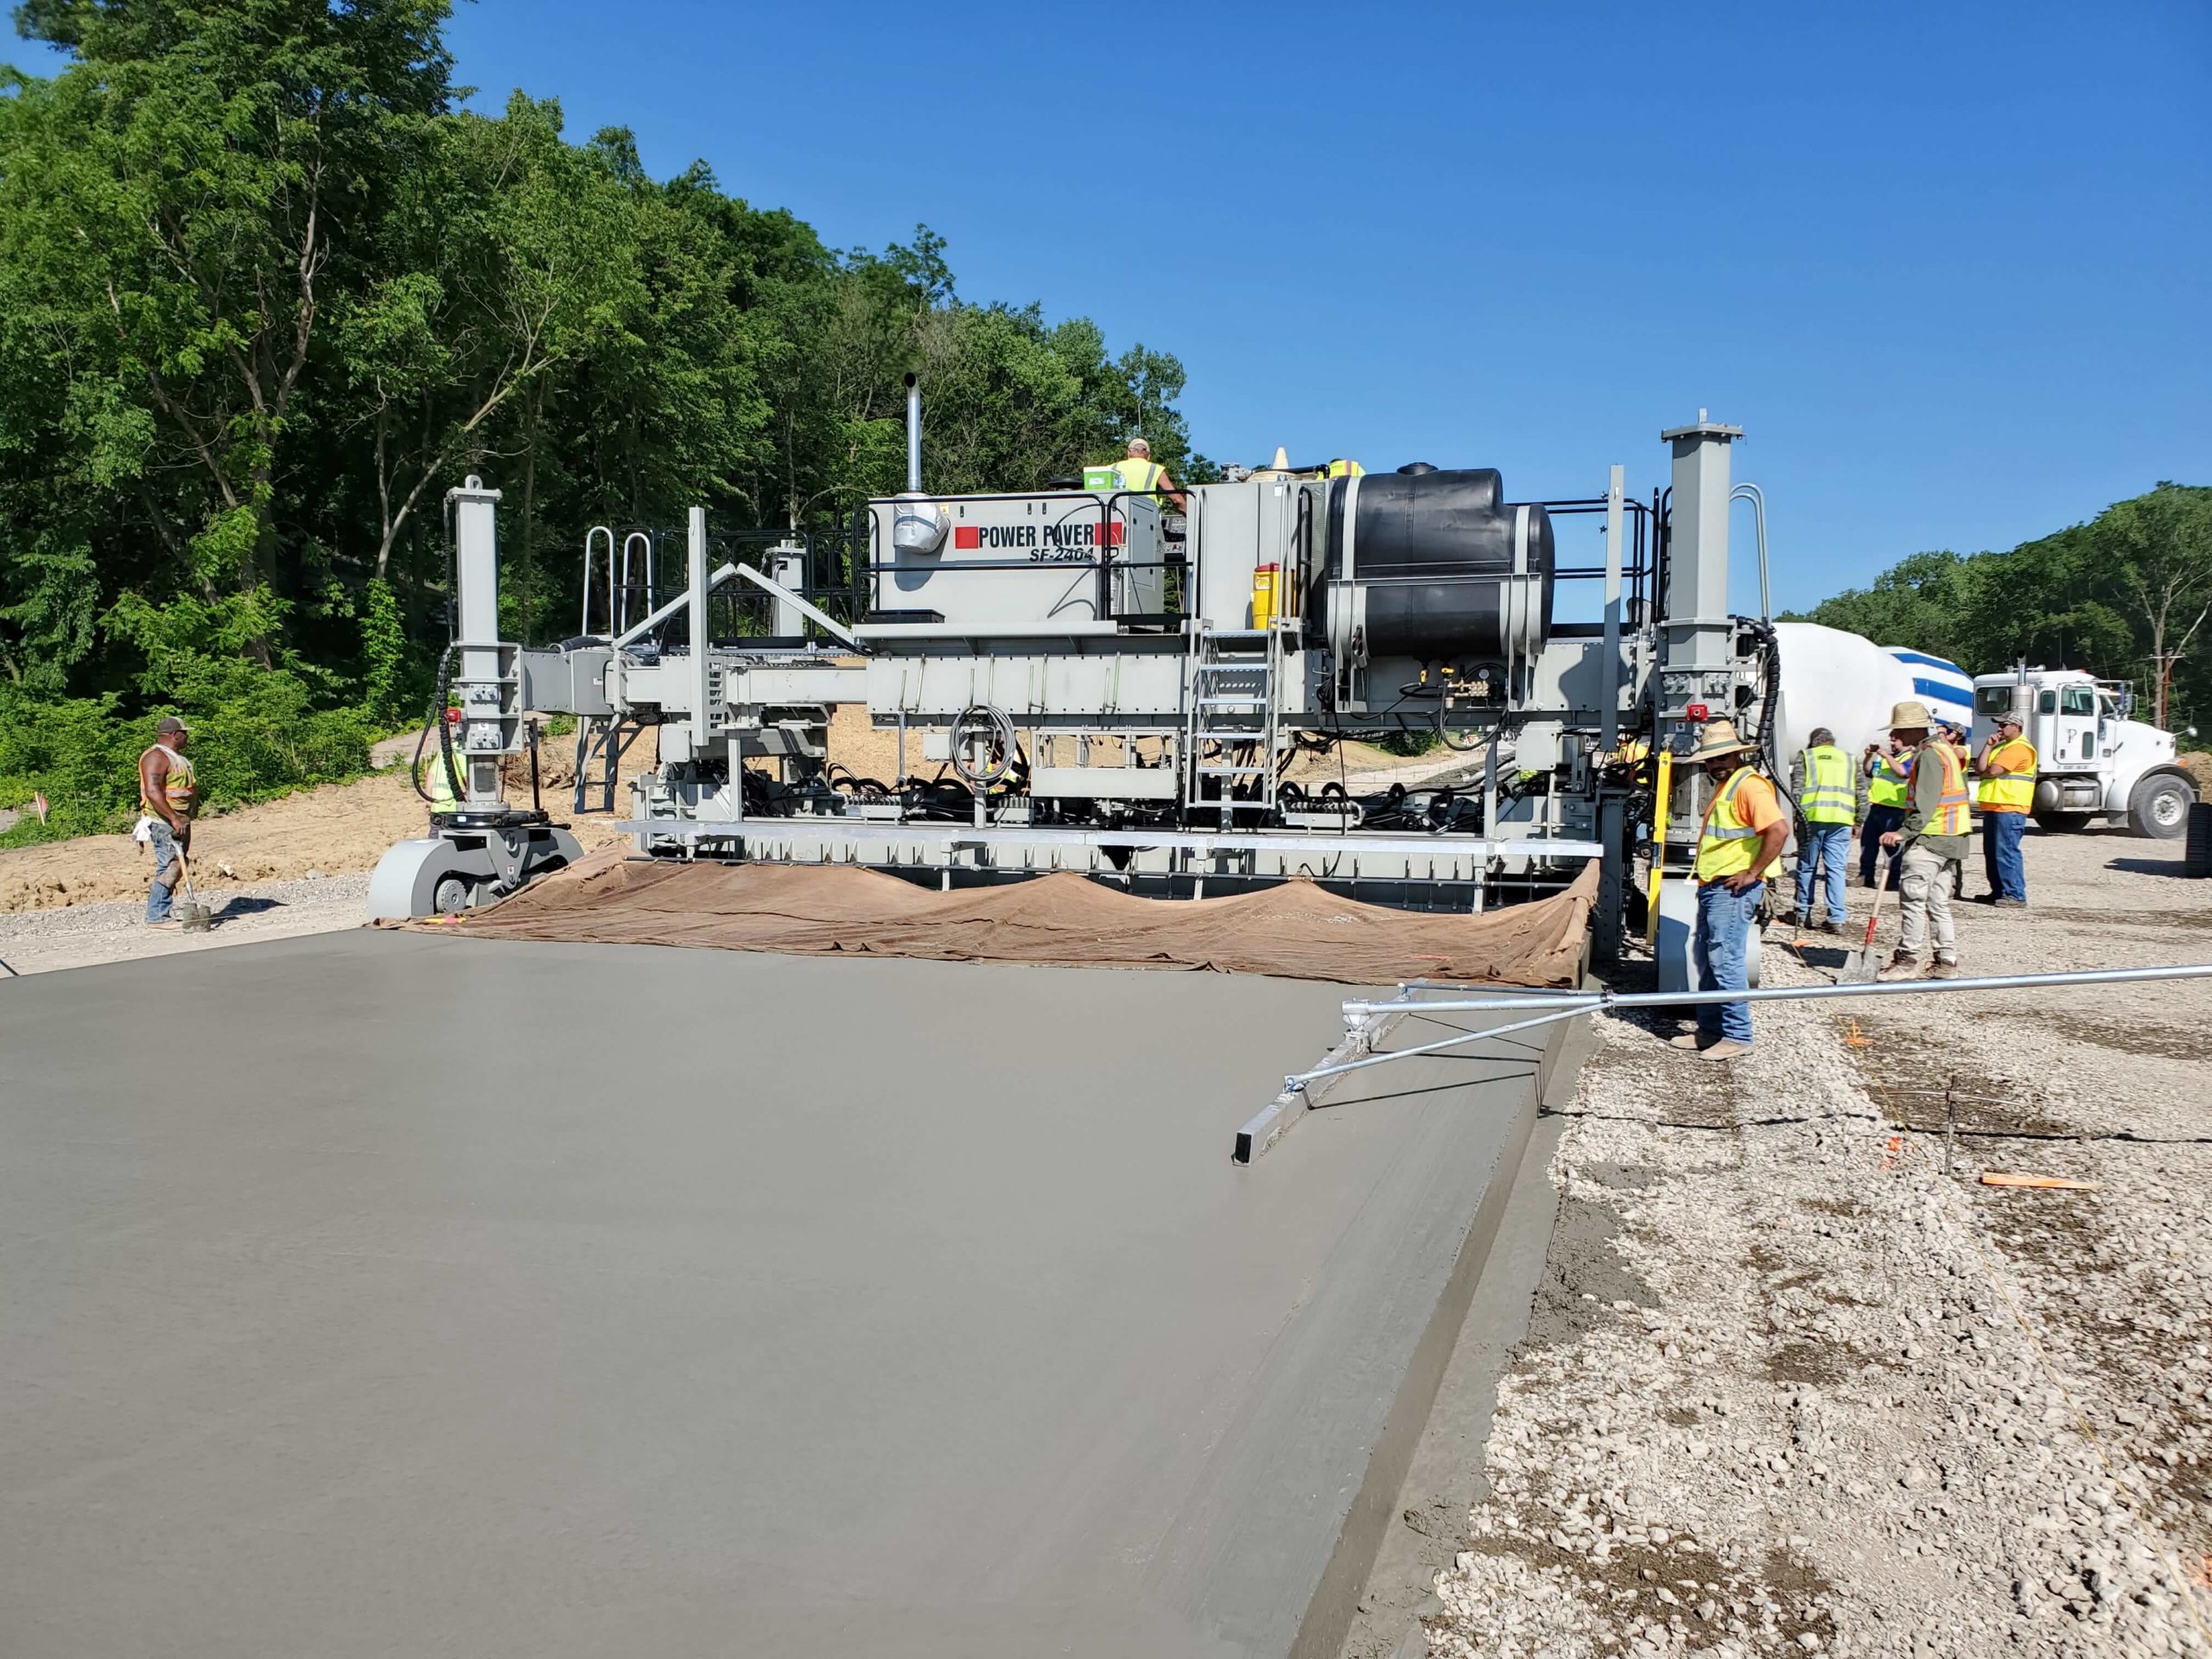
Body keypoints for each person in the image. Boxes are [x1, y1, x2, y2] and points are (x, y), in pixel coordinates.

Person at [1670, 720, 1788, 1063]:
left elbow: (1778, 831)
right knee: (1709, 960)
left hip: (1732, 889)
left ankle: (1737, 1035)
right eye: (1710, 760)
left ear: (1736, 755)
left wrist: (1753, 872)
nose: (1715, 764)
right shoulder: (1731, 785)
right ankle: (1710, 1031)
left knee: (1725, 961)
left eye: (1722, 758)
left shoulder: (1749, 787)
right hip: (1716, 886)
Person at [1877, 700, 1973, 981]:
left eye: (1898, 731)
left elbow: (1926, 803)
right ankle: (1946, 961)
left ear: (1914, 730)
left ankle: (1908, 960)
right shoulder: (1943, 750)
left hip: (1931, 838)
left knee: (1914, 899)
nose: (1894, 737)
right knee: (1937, 902)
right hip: (1951, 837)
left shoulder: (1930, 755)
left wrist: (1903, 833)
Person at [1785, 727, 1859, 932]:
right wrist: (1859, 821)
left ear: (1814, 742)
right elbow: (1861, 792)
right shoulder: (1849, 759)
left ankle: (1802, 914)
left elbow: (1797, 790)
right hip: (1842, 820)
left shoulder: (1807, 757)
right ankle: (1836, 918)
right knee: (1836, 870)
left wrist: (1794, 817)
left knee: (1807, 867)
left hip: (1812, 820)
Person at [136, 715, 198, 929]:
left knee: (179, 865)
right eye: (185, 733)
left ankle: (161, 911)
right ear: (175, 735)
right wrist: (172, 818)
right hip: (164, 821)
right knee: (170, 865)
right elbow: (153, 791)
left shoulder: (175, 757)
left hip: (179, 820)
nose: (187, 737)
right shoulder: (156, 757)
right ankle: (157, 915)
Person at [1975, 711, 2035, 907]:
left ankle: (2015, 894)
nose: (1999, 729)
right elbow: (1980, 768)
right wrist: (1988, 745)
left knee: (2006, 852)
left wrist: (1987, 771)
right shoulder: (2001, 746)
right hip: (1995, 805)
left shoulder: (2019, 748)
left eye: (2003, 725)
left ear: (2015, 727)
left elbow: (1992, 771)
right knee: (1992, 852)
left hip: (2011, 807)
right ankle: (1999, 891)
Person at [1859, 740, 1911, 889]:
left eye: (1895, 739)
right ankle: (1865, 876)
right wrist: (1869, 756)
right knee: (1868, 844)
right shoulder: (1886, 758)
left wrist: (1887, 756)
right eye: (1891, 739)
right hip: (1876, 805)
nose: (1892, 742)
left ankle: (1892, 880)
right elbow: (1869, 770)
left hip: (1896, 808)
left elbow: (1903, 772)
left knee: (1892, 847)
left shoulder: (1910, 756)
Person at [1108, 438, 1186, 512]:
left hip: (1113, 517)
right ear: (1148, 456)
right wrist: (1190, 515)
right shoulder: (1155, 469)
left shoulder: (1111, 468)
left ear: (1128, 453)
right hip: (1146, 519)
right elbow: (1176, 499)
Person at [424, 707, 462, 818]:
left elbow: (430, 776)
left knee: (436, 836)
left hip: (438, 809)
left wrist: (428, 800)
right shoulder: (462, 752)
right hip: (456, 810)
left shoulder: (444, 750)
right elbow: (468, 781)